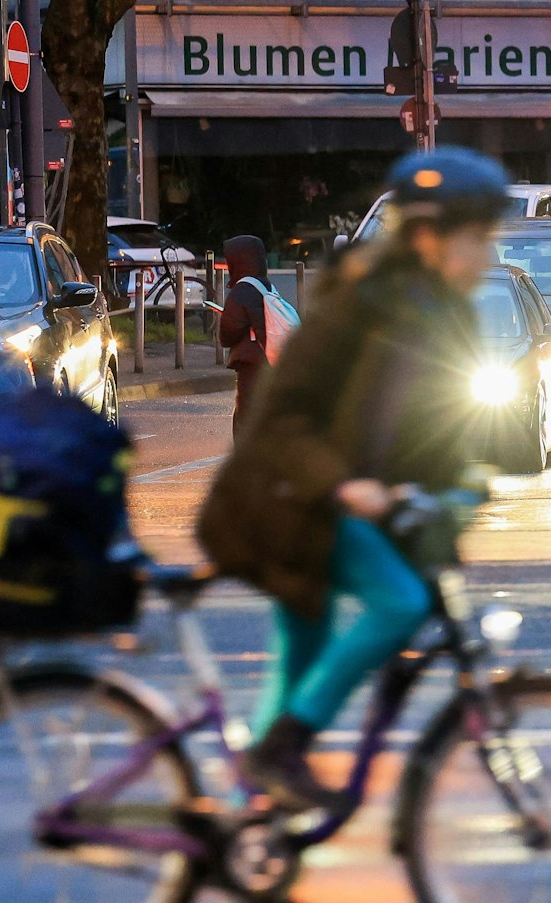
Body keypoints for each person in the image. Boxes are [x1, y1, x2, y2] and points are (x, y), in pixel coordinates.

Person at [196, 147, 511, 812]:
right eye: (475, 237)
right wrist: (347, 487)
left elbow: (436, 425)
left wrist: (463, 482)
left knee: (301, 661)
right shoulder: (358, 306)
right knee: (398, 604)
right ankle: (277, 756)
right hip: (285, 498)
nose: (488, 254)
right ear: (426, 236)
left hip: (332, 503)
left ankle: (247, 824)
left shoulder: (447, 311)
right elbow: (281, 422)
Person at [218, 235, 270, 434]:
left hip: (251, 365)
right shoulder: (266, 287)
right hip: (270, 359)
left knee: (246, 419)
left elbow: (226, 335)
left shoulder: (242, 291)